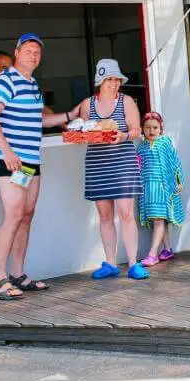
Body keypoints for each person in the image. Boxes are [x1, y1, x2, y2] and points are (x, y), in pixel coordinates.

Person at [0, 33, 77, 300]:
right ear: (16, 52)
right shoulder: (5, 81)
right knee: (13, 215)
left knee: (27, 214)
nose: (33, 55)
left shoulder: (32, 84)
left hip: (31, 162)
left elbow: (40, 121)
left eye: (37, 52)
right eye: (28, 51)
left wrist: (71, 115)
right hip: (11, 161)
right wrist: (7, 151)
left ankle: (19, 274)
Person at [71, 58, 147, 281]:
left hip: (123, 161)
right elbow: (83, 129)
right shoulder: (87, 105)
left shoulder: (127, 102)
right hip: (97, 163)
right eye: (109, 79)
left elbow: (136, 130)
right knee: (104, 215)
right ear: (100, 81)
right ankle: (110, 263)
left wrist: (122, 136)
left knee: (126, 214)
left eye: (116, 80)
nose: (113, 84)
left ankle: (134, 263)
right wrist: (81, 135)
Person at [135, 112, 184, 266]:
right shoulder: (141, 148)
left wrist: (178, 180)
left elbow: (174, 162)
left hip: (162, 189)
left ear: (161, 128)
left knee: (158, 220)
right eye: (148, 127)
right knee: (159, 221)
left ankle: (152, 254)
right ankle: (167, 249)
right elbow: (139, 168)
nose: (151, 130)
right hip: (148, 190)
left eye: (155, 127)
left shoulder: (164, 143)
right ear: (142, 128)